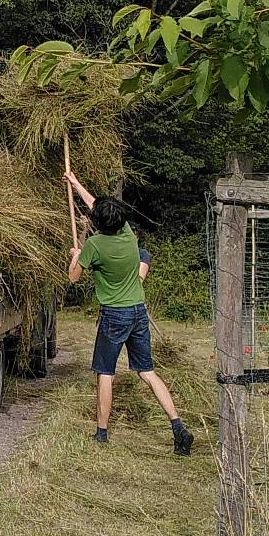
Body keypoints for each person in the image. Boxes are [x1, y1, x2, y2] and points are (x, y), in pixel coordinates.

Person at [65, 168, 194, 455]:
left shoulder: (94, 245)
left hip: (114, 315)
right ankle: (177, 426)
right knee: (147, 371)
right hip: (138, 311)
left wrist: (76, 257)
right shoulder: (125, 233)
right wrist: (76, 184)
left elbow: (73, 278)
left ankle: (101, 433)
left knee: (105, 372)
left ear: (98, 224)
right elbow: (97, 205)